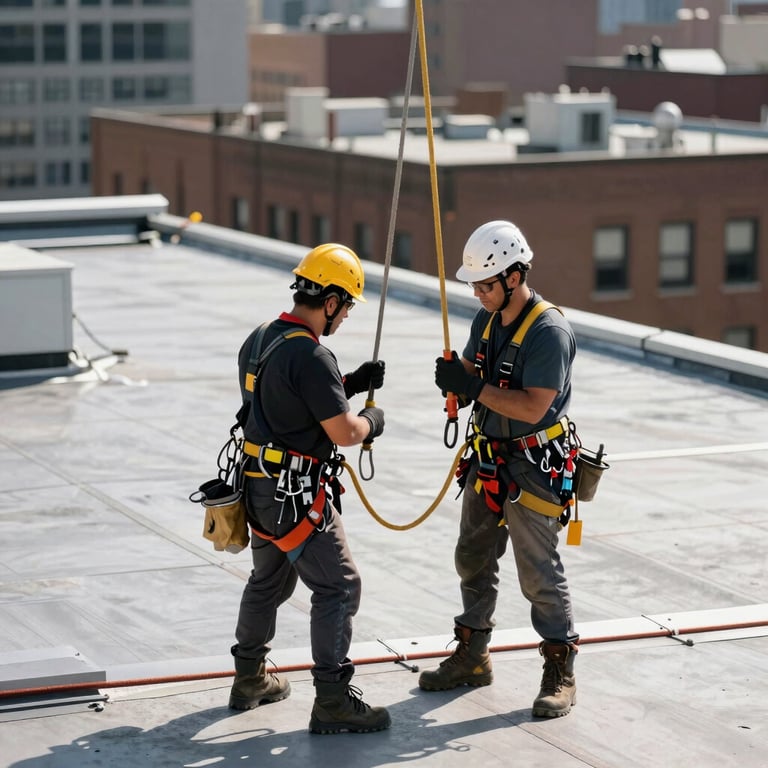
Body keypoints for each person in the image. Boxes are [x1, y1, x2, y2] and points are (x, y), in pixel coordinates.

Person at [418, 220, 580, 718]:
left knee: (537, 572)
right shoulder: (485, 320)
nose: (480, 294)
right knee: (472, 556)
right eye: (474, 286)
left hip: (533, 464)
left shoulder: (548, 331)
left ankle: (560, 668)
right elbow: (475, 369)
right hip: (489, 457)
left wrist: (473, 390)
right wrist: (456, 375)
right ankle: (472, 654)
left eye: (486, 285)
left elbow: (533, 407)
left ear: (514, 277)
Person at [228, 242, 391, 735]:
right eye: (345, 308)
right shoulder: (313, 353)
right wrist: (369, 419)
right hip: (294, 496)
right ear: (332, 300)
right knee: (340, 586)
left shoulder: (261, 339)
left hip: (258, 488)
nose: (344, 319)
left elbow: (282, 398)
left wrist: (348, 379)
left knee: (270, 581)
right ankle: (334, 700)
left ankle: (250, 678)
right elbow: (342, 432)